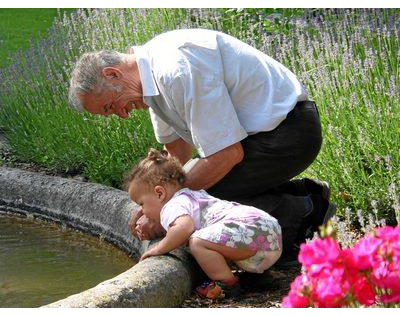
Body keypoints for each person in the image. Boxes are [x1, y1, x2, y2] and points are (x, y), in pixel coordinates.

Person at [68, 28, 336, 268]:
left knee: (200, 202)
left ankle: (305, 214)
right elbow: (175, 153)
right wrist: (151, 200)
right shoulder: (150, 74)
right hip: (266, 135)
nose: (122, 115)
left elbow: (227, 155)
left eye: (110, 106)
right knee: (190, 185)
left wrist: (168, 208)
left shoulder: (174, 70)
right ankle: (303, 193)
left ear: (113, 74)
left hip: (290, 133)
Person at [124, 148, 283, 299]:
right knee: (212, 237)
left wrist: (158, 248)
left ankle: (226, 285)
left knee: (198, 242)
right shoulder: (193, 195)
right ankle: (258, 278)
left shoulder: (172, 206)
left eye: (141, 203)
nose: (142, 211)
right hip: (268, 230)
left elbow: (184, 227)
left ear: (160, 193)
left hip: (252, 233)